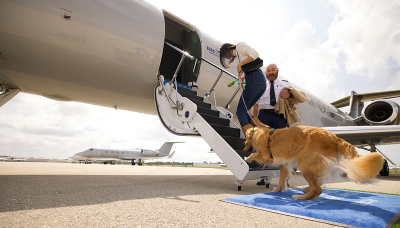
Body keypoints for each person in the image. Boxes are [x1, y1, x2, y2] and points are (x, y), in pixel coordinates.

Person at [219, 42, 266, 135]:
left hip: (255, 78)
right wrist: (244, 76)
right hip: (258, 80)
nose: (227, 56)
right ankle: (264, 130)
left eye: (225, 53)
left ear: (228, 48)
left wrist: (240, 65)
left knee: (240, 111)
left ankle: (250, 140)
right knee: (245, 112)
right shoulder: (238, 56)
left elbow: (255, 54)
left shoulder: (239, 46)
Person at [252, 63, 298, 128]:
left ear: (277, 70)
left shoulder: (285, 84)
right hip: (263, 116)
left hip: (280, 117)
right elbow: (255, 104)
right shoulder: (260, 86)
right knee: (262, 138)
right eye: (268, 71)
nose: (271, 72)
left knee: (282, 137)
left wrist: (289, 96)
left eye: (273, 70)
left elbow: (296, 101)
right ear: (265, 72)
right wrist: (254, 119)